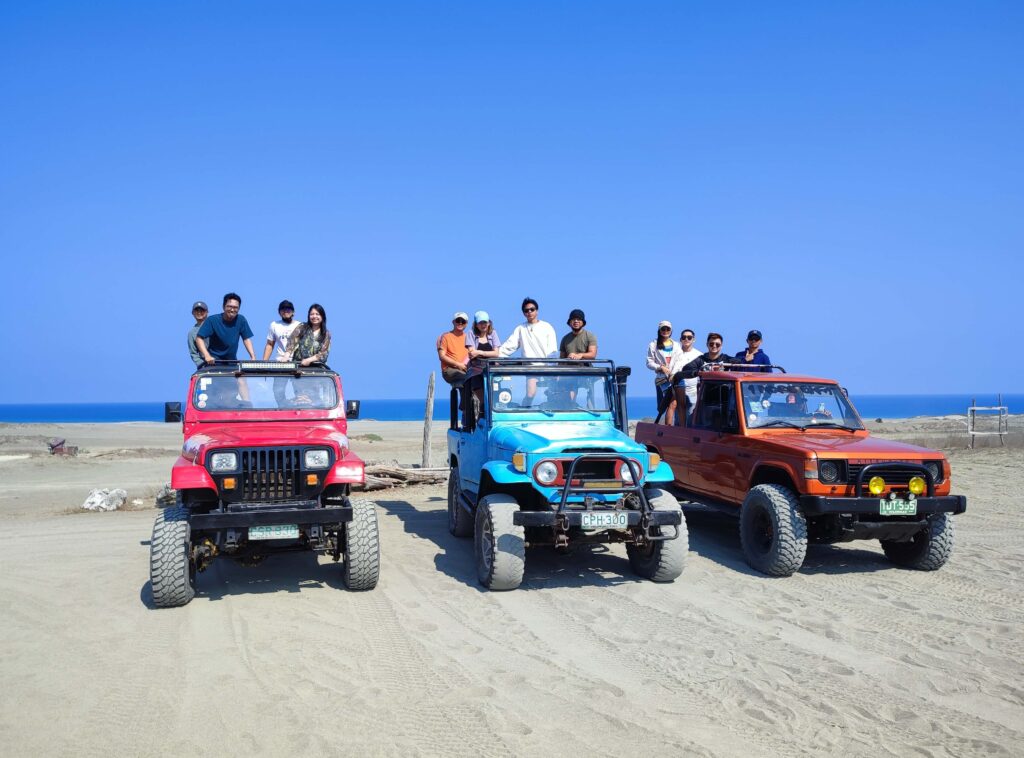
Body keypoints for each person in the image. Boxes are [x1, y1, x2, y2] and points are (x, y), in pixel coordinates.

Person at [499, 298, 558, 406]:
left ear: (537, 310)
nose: (530, 312)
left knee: (553, 395)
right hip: (530, 367)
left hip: (547, 367)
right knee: (530, 394)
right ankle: (524, 412)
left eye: (532, 309)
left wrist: (552, 369)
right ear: (524, 313)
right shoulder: (521, 328)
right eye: (527, 310)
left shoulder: (547, 327)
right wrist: (496, 356)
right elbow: (509, 346)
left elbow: (552, 350)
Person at [195, 293, 256, 364]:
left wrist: (253, 357)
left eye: (236, 307)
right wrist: (207, 355)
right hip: (214, 361)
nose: (232, 310)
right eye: (230, 307)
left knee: (242, 373)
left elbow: (246, 339)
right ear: (223, 307)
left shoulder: (241, 320)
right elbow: (198, 338)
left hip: (232, 361)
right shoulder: (212, 320)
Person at [465, 311, 501, 419]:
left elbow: (496, 353)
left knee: (494, 399)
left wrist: (480, 352)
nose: (483, 325)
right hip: (476, 369)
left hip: (491, 369)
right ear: (476, 324)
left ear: (489, 323)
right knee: (482, 399)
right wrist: (484, 354)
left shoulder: (493, 333)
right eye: (480, 323)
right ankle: (480, 418)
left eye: (485, 322)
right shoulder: (471, 334)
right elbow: (472, 353)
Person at [668, 329, 703, 422]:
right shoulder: (675, 353)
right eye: (684, 337)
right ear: (680, 339)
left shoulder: (699, 355)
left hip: (692, 391)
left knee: (691, 418)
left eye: (689, 337)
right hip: (677, 389)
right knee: (678, 419)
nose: (686, 339)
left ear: (693, 339)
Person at [646, 321, 676, 424]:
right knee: (670, 403)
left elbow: (680, 360)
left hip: (674, 377)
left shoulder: (676, 345)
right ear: (659, 330)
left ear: (671, 331)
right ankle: (668, 427)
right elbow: (649, 362)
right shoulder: (653, 344)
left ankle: (674, 426)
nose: (665, 331)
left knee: (674, 403)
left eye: (668, 329)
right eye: (663, 329)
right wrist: (660, 367)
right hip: (662, 379)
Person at [437, 312, 471, 386]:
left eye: (463, 321)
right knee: (466, 378)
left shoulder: (468, 338)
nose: (460, 323)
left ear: (466, 324)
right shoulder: (445, 337)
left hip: (465, 369)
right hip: (449, 369)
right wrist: (458, 365)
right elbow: (442, 356)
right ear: (453, 322)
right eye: (458, 320)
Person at [187, 300, 208, 369]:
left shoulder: (214, 325)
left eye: (202, 310)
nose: (199, 313)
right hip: (206, 365)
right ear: (193, 313)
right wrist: (202, 364)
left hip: (221, 361)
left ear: (207, 312)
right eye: (196, 311)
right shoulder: (192, 333)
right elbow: (193, 353)